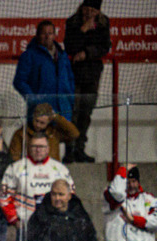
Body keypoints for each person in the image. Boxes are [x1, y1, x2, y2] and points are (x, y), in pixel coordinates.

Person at [0, 132, 73, 241]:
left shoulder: (60, 169)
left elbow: (71, 195)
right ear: (28, 148)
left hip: (54, 225)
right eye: (34, 146)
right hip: (26, 227)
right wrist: (15, 220)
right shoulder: (15, 168)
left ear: (48, 148)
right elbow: (4, 196)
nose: (38, 150)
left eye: (41, 146)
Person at [64, 0, 111, 163]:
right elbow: (69, 46)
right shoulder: (73, 22)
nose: (89, 13)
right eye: (87, 9)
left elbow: (105, 46)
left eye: (93, 10)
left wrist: (87, 53)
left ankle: (80, 149)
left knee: (86, 113)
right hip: (74, 74)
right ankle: (69, 150)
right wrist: (82, 30)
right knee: (73, 112)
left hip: (92, 75)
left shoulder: (103, 24)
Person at [13, 20, 76, 122]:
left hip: (64, 110)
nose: (47, 36)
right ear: (37, 35)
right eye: (43, 33)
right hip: (40, 112)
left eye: (50, 33)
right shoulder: (29, 55)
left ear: (54, 35)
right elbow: (19, 81)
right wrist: (34, 100)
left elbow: (70, 79)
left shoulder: (62, 55)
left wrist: (71, 99)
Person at [25, 179, 99, 241]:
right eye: (54, 194)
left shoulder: (80, 216)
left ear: (69, 196)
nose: (57, 198)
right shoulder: (40, 216)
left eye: (61, 194)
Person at [103, 165, 157, 241]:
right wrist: (123, 168)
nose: (131, 185)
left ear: (138, 182)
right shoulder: (111, 197)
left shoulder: (149, 199)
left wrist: (133, 220)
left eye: (134, 181)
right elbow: (117, 192)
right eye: (127, 182)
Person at [7, 102, 79, 163]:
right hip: (30, 170)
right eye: (36, 121)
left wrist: (56, 117)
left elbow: (74, 134)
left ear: (49, 121)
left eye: (42, 123)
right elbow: (14, 157)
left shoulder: (54, 133)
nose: (38, 125)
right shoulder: (21, 134)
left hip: (52, 170)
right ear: (33, 117)